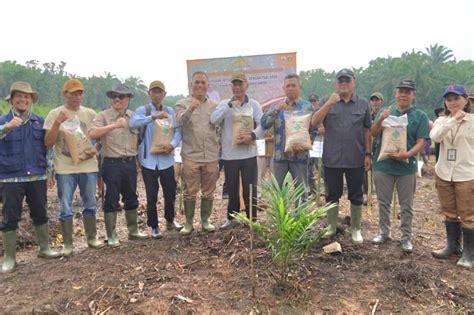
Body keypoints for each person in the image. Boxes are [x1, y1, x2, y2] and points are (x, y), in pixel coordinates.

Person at [0, 82, 60, 273]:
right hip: (10, 177)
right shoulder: (3, 121)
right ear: (12, 99)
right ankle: (10, 258)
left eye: (27, 97)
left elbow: (49, 148)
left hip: (37, 176)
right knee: (10, 217)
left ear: (31, 100)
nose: (23, 100)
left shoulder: (40, 122)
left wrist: (50, 173)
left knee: (40, 213)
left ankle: (44, 248)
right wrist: (7, 127)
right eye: (19, 96)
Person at [44, 79, 104, 256]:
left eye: (80, 93)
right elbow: (48, 143)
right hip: (64, 167)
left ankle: (92, 238)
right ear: (65, 94)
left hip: (88, 166)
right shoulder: (55, 113)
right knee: (65, 207)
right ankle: (68, 244)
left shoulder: (90, 114)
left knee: (90, 203)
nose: (78, 97)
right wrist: (57, 123)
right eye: (74, 93)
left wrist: (91, 151)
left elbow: (100, 139)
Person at [311, 69, 371, 244]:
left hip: (356, 157)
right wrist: (329, 103)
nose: (344, 83)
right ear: (335, 84)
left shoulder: (362, 104)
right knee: (332, 194)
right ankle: (331, 226)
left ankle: (356, 228)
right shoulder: (326, 101)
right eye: (340, 80)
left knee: (356, 194)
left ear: (354, 83)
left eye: (347, 80)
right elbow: (314, 121)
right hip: (332, 158)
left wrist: (368, 154)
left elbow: (367, 130)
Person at [370, 79, 429, 253]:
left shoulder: (420, 116)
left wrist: (408, 154)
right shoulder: (386, 111)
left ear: (413, 95)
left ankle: (405, 237)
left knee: (407, 205)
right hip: (383, 166)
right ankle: (384, 232)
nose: (403, 94)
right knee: (383, 202)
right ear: (395, 94)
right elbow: (373, 133)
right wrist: (381, 119)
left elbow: (421, 142)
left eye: (407, 92)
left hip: (406, 167)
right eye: (400, 91)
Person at [88, 84, 148, 246]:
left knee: (131, 196)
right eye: (114, 96)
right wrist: (114, 125)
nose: (117, 99)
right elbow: (92, 133)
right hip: (111, 163)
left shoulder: (134, 117)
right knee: (111, 198)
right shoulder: (103, 116)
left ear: (128, 99)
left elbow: (142, 137)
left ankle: (133, 230)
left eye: (121, 97)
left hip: (130, 163)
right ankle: (112, 234)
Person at [129, 80, 183, 238]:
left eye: (160, 92)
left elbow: (178, 131)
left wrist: (172, 145)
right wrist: (152, 117)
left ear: (164, 94)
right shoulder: (143, 110)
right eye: (154, 91)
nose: (157, 94)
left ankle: (170, 220)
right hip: (148, 160)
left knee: (170, 191)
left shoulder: (170, 111)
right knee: (151, 194)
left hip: (167, 159)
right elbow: (132, 123)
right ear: (149, 93)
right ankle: (154, 226)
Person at [210, 73, 263, 228]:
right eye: (234, 85)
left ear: (246, 86)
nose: (237, 88)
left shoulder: (254, 105)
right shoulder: (224, 104)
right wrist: (228, 106)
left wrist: (252, 135)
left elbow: (262, 124)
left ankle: (252, 220)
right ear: (231, 87)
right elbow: (213, 120)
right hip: (229, 155)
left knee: (250, 188)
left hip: (249, 153)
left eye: (240, 84)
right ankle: (232, 219)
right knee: (231, 188)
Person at [430, 84, 474, 268]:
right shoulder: (442, 121)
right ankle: (451, 246)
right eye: (449, 99)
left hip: (467, 173)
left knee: (468, 215)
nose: (453, 102)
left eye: (457, 98)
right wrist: (453, 120)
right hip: (444, 173)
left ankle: (468, 253)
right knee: (449, 212)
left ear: (466, 100)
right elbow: (436, 137)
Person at [176, 72, 220, 235]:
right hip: (191, 155)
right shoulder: (182, 104)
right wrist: (190, 109)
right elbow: (180, 122)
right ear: (191, 85)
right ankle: (188, 223)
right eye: (197, 82)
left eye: (203, 83)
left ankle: (205, 220)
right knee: (190, 191)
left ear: (208, 86)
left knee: (209, 190)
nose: (200, 85)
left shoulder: (215, 106)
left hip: (210, 155)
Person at [261, 74, 313, 199]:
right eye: (288, 86)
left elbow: (313, 129)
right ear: (283, 88)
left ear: (300, 87)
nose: (290, 88)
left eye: (293, 85)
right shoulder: (277, 107)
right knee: (278, 192)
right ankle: (280, 218)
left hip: (300, 156)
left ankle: (299, 218)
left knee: (301, 193)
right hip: (280, 157)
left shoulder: (307, 107)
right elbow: (264, 124)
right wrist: (276, 110)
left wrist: (305, 144)